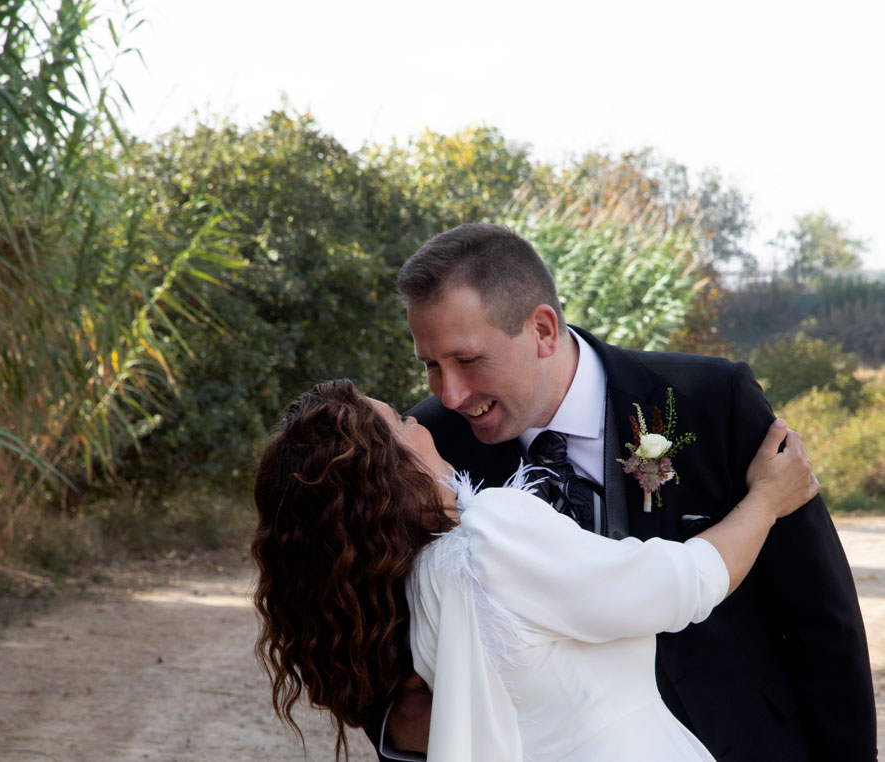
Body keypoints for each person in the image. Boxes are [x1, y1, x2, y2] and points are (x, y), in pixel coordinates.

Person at [373, 223, 874, 761]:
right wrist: (407, 726)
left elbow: (818, 611)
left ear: (542, 329)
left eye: (468, 360)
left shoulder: (710, 399)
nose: (450, 394)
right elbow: (368, 624)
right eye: (431, 366)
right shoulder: (428, 447)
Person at [252, 378, 819, 761]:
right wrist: (767, 501)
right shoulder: (490, 534)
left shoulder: (415, 582)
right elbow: (683, 582)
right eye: (401, 422)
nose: (422, 424)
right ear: (383, 470)